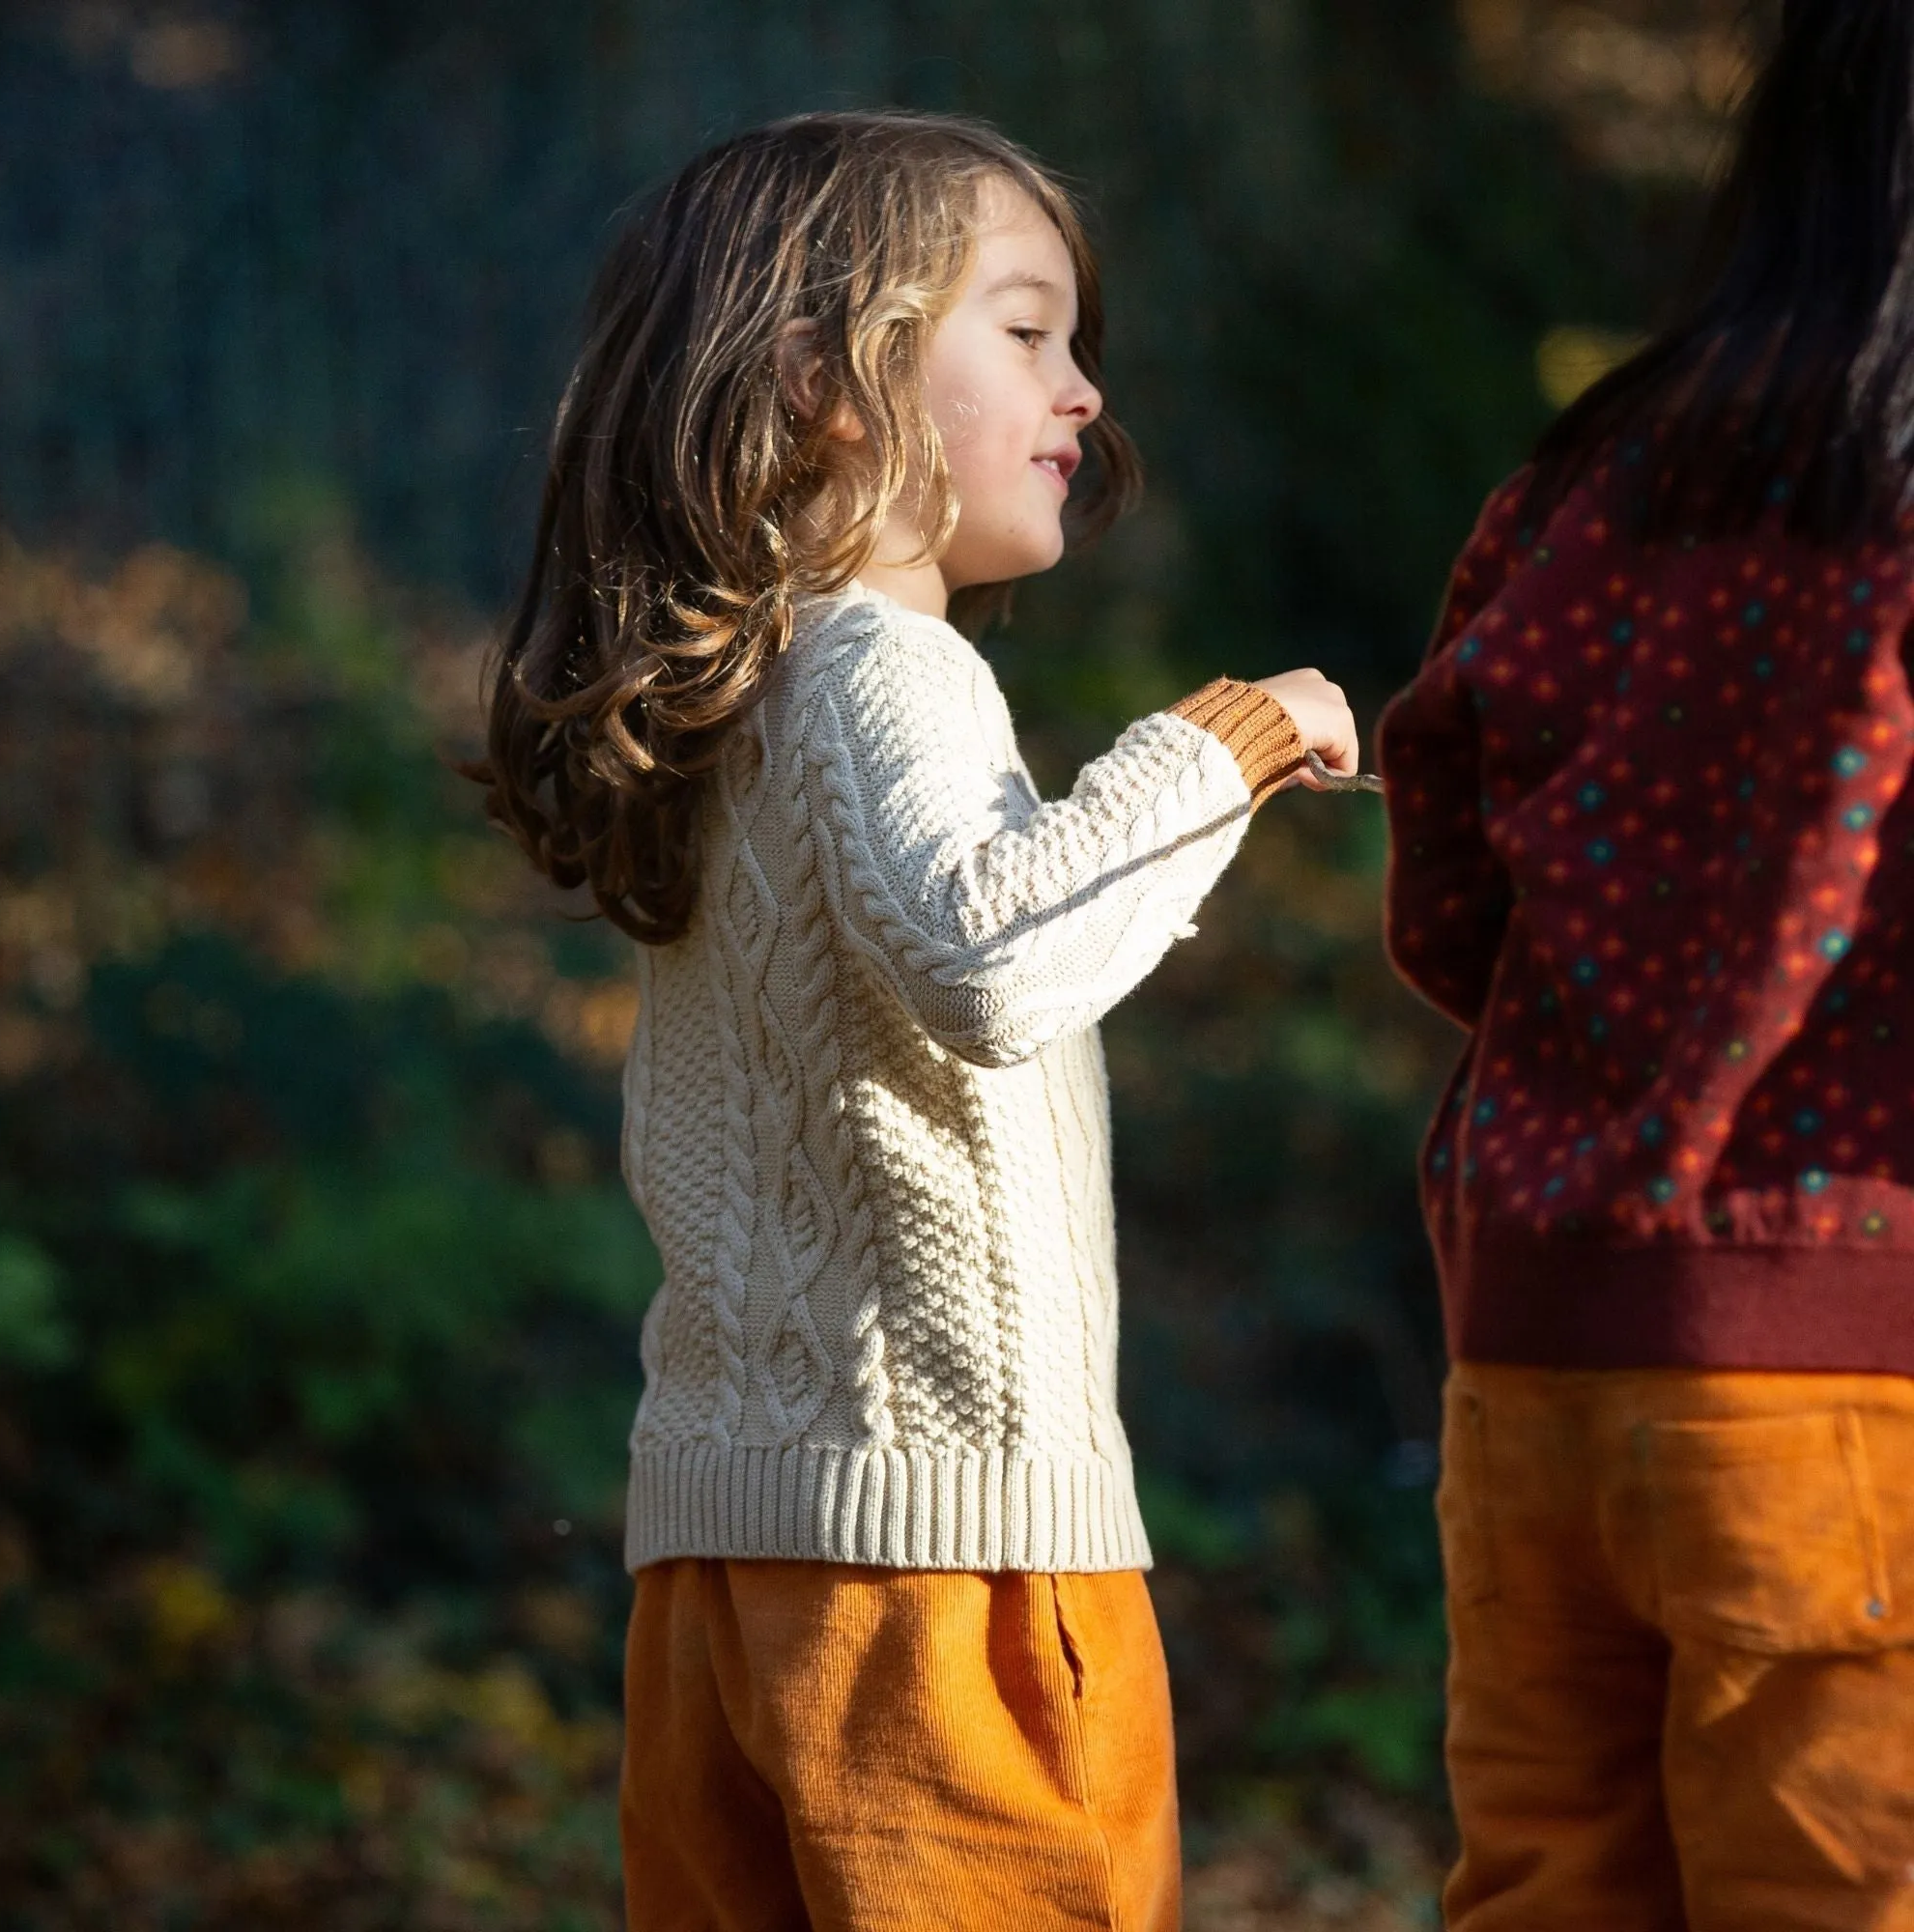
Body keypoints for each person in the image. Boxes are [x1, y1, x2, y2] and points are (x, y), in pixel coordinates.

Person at [472, 111, 1358, 1929]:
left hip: (725, 1556)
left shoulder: (736, 694)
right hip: (944, 1568)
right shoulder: (891, 665)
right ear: (827, 382)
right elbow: (993, 960)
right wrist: (1239, 739)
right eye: (1025, 332)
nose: (1085, 389)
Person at [1380, 4, 1914, 1924]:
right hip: (1856, 1363)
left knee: (1543, 1885)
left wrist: (1613, 1040)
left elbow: (1441, 865)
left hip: (1537, 1336)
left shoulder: (1598, 473)